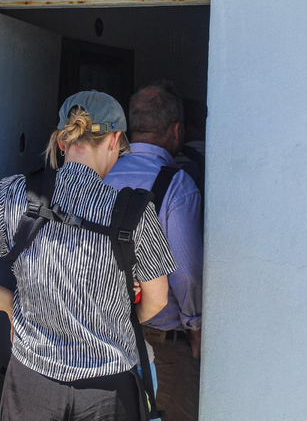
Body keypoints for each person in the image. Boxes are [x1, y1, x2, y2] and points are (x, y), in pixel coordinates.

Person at [0, 90, 176, 421]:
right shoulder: (135, 213)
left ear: (61, 141)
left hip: (31, 384)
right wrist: (117, 319)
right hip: (108, 391)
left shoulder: (15, 194)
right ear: (115, 141)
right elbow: (157, 300)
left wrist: (8, 304)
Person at [105, 82, 203, 421]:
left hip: (101, 330)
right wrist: (195, 326)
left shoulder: (99, 175)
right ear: (177, 131)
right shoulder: (177, 186)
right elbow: (186, 272)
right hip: (163, 342)